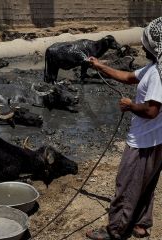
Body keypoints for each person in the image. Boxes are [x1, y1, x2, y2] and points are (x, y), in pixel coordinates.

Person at [85, 17, 162, 240]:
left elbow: (151, 111)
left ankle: (115, 230)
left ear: (153, 46)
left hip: (143, 141)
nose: (143, 45)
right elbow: (128, 77)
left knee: (126, 185)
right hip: (157, 140)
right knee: (146, 184)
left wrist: (130, 106)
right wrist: (99, 65)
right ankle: (140, 224)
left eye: (145, 43)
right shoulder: (154, 68)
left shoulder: (157, 74)